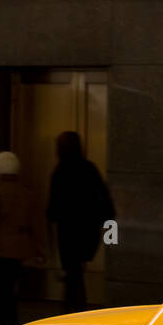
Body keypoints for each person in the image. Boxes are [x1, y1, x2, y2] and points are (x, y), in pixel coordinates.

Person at [46, 132, 115, 313]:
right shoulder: (89, 169)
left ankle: (72, 312)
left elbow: (53, 208)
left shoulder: (60, 171)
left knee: (72, 274)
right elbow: (105, 204)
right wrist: (110, 238)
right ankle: (76, 310)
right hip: (88, 231)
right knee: (76, 274)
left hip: (68, 231)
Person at [0, 151, 45, 325]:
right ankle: (5, 324)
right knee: (9, 288)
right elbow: (37, 224)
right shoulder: (27, 192)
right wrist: (40, 250)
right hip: (20, 249)